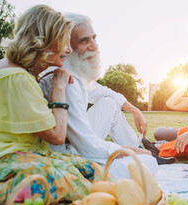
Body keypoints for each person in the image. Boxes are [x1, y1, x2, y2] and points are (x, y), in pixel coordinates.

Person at [0, 5, 109, 205]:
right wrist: (58, 88)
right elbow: (57, 136)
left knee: (88, 168)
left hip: (9, 155)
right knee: (75, 182)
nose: (68, 49)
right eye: (64, 42)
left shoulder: (11, 69)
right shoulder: (16, 77)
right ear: (45, 41)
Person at [39, 13, 175, 173]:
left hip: (79, 146)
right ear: (66, 46)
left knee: (109, 103)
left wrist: (135, 110)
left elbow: (106, 92)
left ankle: (139, 146)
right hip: (68, 157)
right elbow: (85, 145)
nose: (95, 46)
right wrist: (128, 151)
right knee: (146, 166)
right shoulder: (66, 81)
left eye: (94, 38)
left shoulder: (73, 74)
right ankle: (141, 151)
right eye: (84, 40)